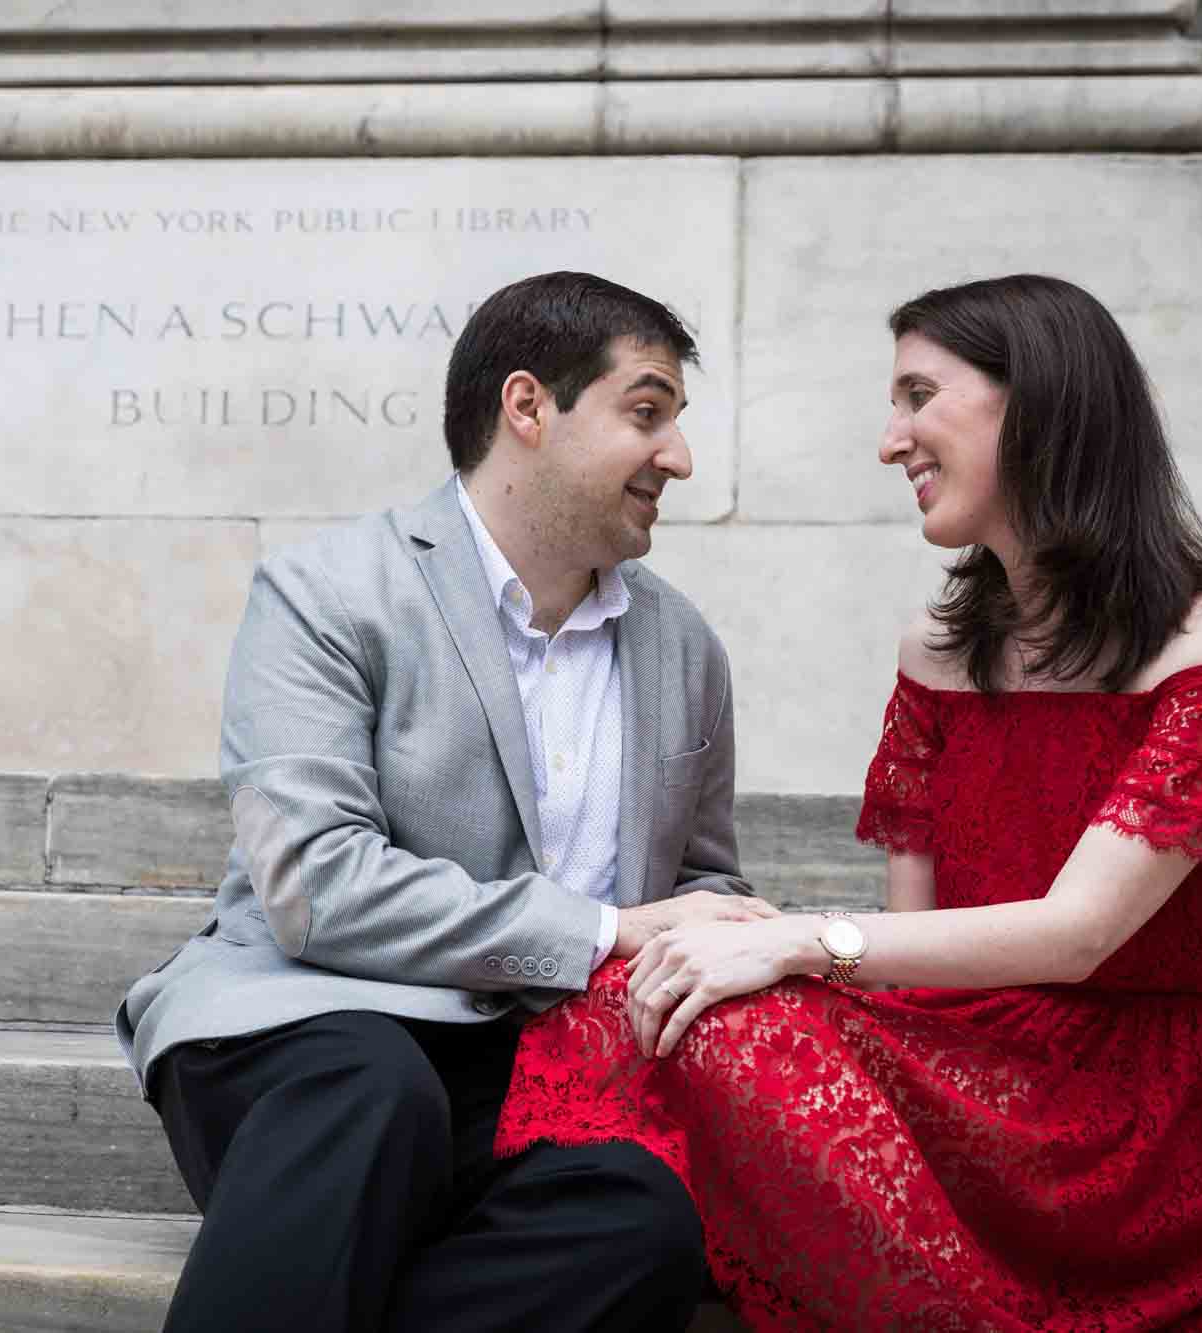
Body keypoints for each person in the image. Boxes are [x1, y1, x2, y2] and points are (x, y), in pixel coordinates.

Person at [496, 273, 1202, 1331]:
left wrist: (793, 945)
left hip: (1134, 1116)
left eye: (918, 395)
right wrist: (747, 961)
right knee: (643, 988)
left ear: (1039, 401)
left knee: (729, 1014)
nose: (892, 440)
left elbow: (1077, 934)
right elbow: (919, 952)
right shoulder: (935, 650)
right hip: (971, 1066)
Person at [117, 270, 780, 1333]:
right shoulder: (325, 593)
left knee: (645, 1219)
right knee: (377, 1092)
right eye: (645, 414)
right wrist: (609, 929)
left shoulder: (684, 648)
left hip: (527, 1075)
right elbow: (317, 888)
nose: (678, 459)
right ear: (527, 407)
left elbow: (698, 881)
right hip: (303, 1032)